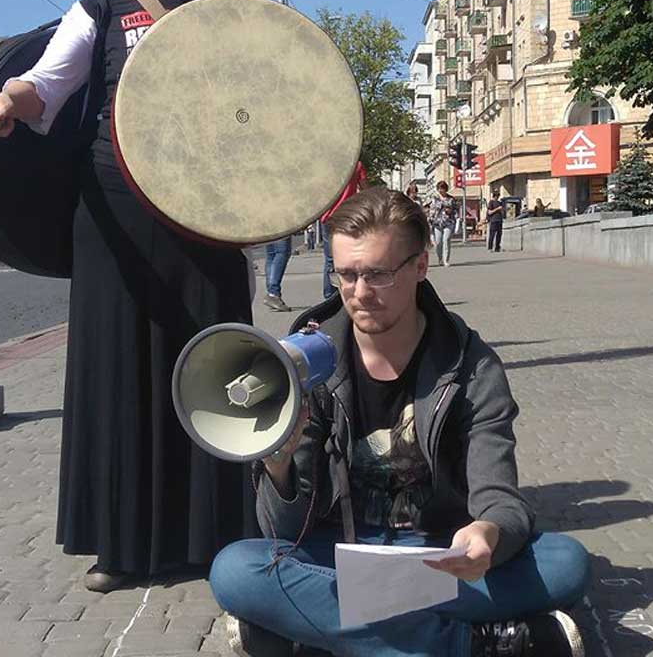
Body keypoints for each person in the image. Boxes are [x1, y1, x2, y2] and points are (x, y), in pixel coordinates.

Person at [0, 0, 256, 592]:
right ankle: (121, 544)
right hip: (117, 216)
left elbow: (260, 110)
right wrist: (15, 95)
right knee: (119, 371)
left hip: (207, 215)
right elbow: (51, 82)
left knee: (213, 365)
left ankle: (215, 537)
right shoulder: (99, 9)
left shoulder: (224, 15)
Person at [209, 187, 591, 657]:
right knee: (235, 569)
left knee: (565, 563)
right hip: (340, 554)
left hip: (439, 557)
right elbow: (283, 533)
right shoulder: (306, 363)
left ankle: (309, 635)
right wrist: (279, 467)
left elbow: (501, 497)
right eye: (346, 275)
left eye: (378, 274)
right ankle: (472, 645)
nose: (360, 294)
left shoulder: (471, 366)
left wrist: (488, 532)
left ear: (420, 267)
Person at [319, 161, 367, 298]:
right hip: (346, 217)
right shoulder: (356, 165)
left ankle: (329, 295)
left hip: (327, 216)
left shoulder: (327, 166)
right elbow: (366, 190)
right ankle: (345, 292)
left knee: (329, 259)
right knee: (348, 256)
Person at [428, 180, 457, 267]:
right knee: (438, 242)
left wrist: (451, 211)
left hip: (448, 222)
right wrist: (430, 220)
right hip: (437, 223)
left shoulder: (451, 199)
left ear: (445, 189)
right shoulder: (434, 198)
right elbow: (430, 210)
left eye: (442, 188)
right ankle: (440, 258)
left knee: (446, 240)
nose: (441, 190)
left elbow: (456, 210)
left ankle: (446, 260)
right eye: (439, 188)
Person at [263, 235, 292, 312]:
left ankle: (271, 293)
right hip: (281, 225)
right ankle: (273, 293)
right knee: (282, 252)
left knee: (271, 254)